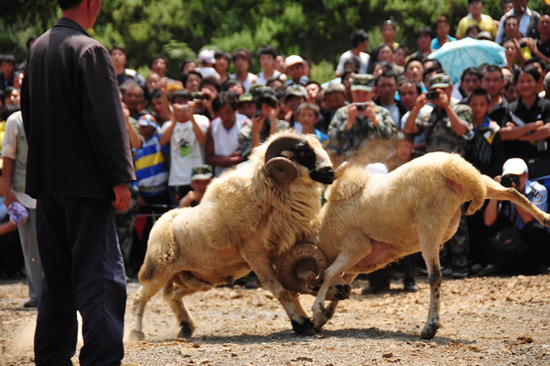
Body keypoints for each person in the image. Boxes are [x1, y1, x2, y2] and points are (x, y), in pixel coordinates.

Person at [21, 0, 135, 365]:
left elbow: (27, 115)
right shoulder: (89, 50)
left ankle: (52, 357)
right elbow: (105, 120)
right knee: (100, 276)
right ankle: (101, 359)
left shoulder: (38, 48)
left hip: (47, 184)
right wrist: (120, 178)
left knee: (56, 278)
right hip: (86, 185)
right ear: (90, 3)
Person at [2, 110, 42, 308]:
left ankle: (54, 292)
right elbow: (8, 156)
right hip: (24, 193)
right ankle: (36, 294)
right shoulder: (15, 120)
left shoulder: (52, 111)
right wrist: (6, 190)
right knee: (30, 248)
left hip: (52, 192)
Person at [484, 158, 549, 275]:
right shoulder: (503, 191)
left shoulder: (538, 190)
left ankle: (539, 266)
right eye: (510, 177)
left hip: (531, 238)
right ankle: (499, 266)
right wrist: (495, 192)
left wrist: (514, 196)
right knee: (490, 228)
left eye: (517, 176)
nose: (514, 180)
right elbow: (488, 221)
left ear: (526, 176)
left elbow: (529, 219)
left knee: (535, 228)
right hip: (514, 238)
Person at [328, 73, 397, 157]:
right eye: (357, 92)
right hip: (349, 164)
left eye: (365, 93)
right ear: (352, 91)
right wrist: (347, 124)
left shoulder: (382, 112)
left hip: (376, 164)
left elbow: (393, 140)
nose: (360, 97)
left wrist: (376, 121)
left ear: (373, 92)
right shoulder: (342, 113)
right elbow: (333, 141)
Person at [159, 90, 209, 206]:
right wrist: (175, 119)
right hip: (177, 180)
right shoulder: (168, 124)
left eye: (184, 102)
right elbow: (162, 141)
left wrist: (191, 117)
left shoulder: (201, 119)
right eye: (178, 103)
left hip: (199, 179)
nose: (182, 107)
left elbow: (202, 140)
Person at [502, 66, 550, 179]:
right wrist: (532, 126)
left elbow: (547, 131)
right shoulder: (510, 108)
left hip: (545, 164)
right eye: (521, 81)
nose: (525, 85)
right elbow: (504, 134)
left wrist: (517, 133)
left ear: (538, 83)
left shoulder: (546, 105)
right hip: (518, 168)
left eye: (529, 81)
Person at [206, 91, 248, 176]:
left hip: (242, 175)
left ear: (235, 110)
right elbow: (208, 158)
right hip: (220, 177)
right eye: (220, 113)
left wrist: (230, 160)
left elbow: (249, 155)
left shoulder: (244, 124)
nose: (225, 117)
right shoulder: (213, 126)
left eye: (228, 112)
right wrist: (227, 160)